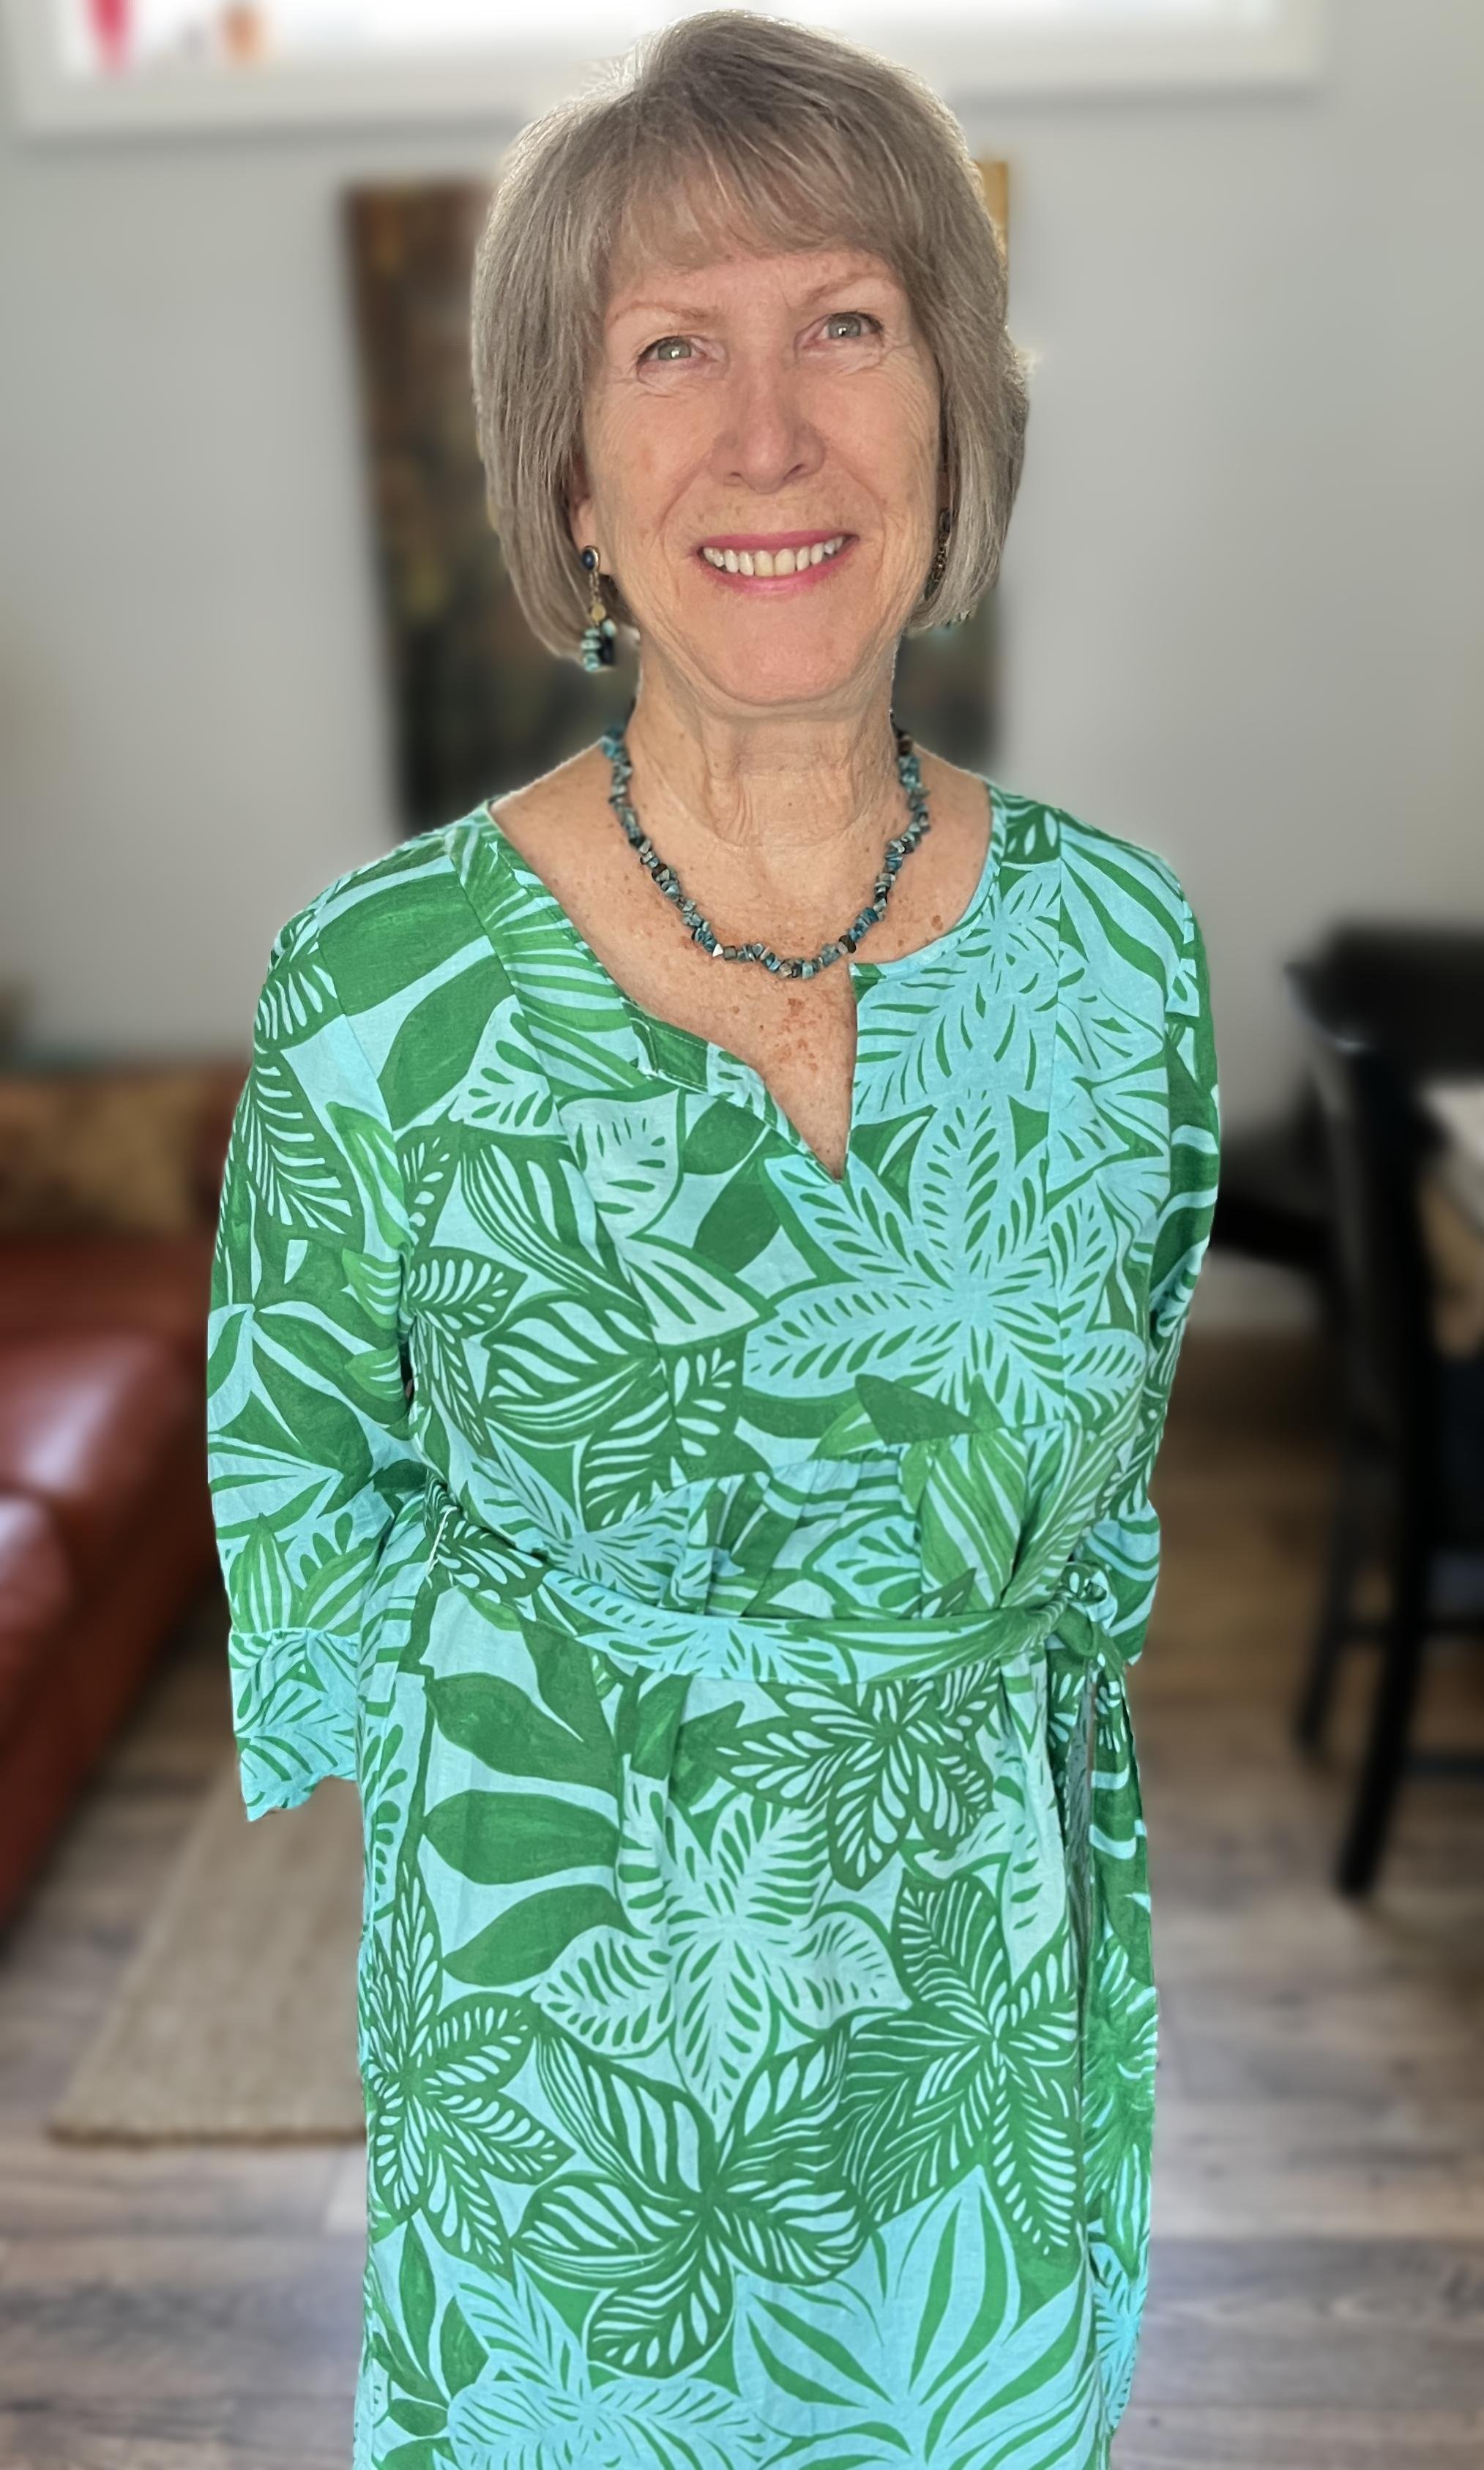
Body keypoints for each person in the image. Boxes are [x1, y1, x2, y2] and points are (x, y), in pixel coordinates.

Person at [205, 12, 1220, 2465]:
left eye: (845, 326)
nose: (766, 437)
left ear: (955, 412)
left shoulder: (1120, 962)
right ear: (567, 467)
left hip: (975, 2037)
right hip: (572, 2098)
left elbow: (1100, 1552)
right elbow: (303, 1503)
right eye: (673, 350)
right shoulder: (380, 989)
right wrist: (577, 1856)